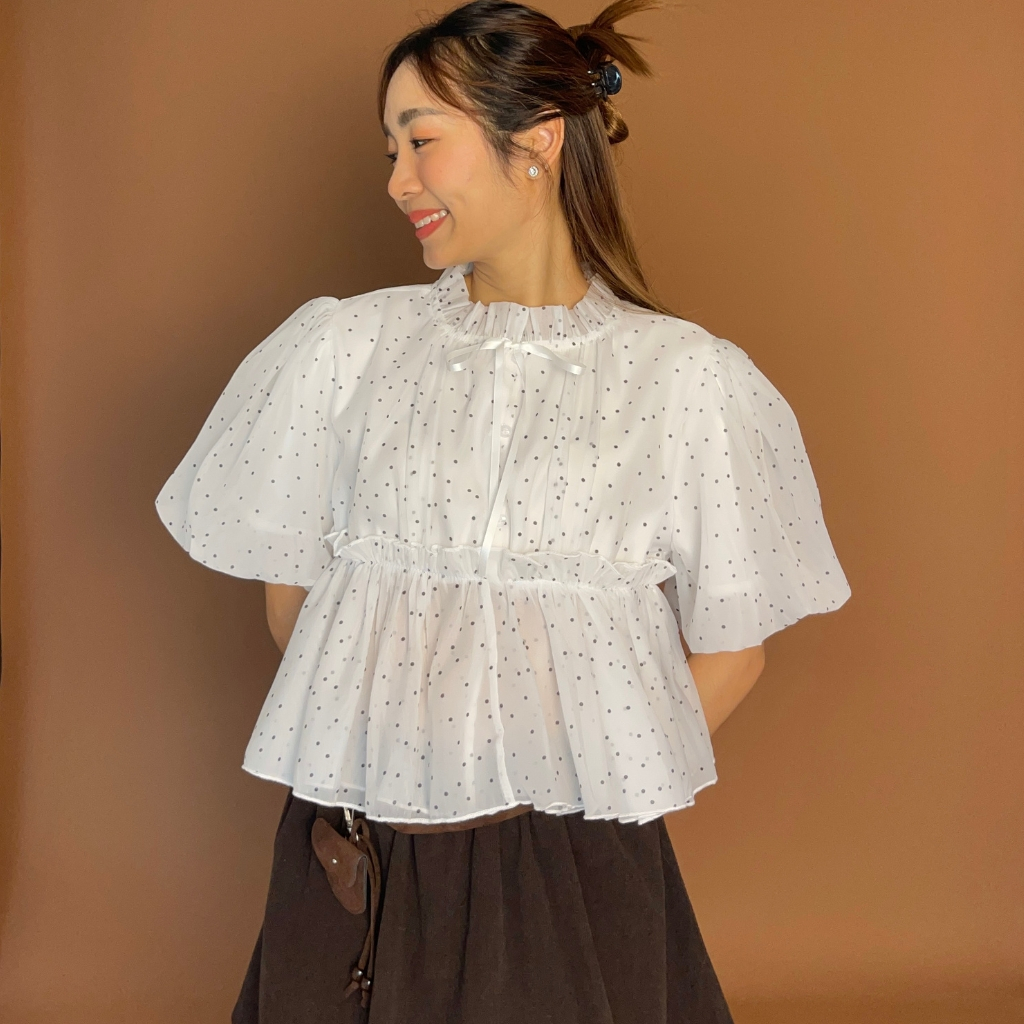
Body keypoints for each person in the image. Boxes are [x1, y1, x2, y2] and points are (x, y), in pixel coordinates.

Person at [154, 1, 852, 1020]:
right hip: (358, 838)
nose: (397, 180)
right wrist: (393, 759)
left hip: (568, 854)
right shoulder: (344, 350)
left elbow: (733, 649)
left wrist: (574, 785)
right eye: (390, 149)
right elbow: (293, 599)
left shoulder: (681, 379)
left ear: (536, 140)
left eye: (422, 141)